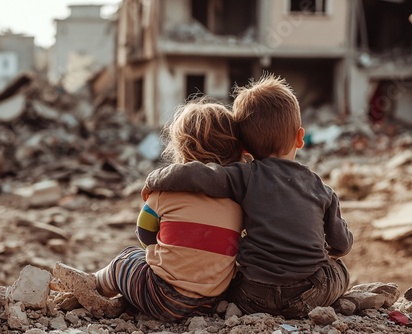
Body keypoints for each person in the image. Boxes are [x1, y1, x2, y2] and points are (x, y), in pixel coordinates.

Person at [141, 74, 353, 319]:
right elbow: (342, 245)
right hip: (309, 294)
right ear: (300, 137)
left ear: (244, 148)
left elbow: (199, 175)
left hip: (253, 296)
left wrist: (155, 179)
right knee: (339, 269)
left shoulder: (245, 176)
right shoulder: (321, 189)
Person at [56, 99, 245, 321]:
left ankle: (95, 284)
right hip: (209, 304)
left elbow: (144, 232)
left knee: (127, 258)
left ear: (182, 148)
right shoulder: (238, 201)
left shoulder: (166, 191)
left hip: (160, 298)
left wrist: (168, 251)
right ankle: (128, 299)